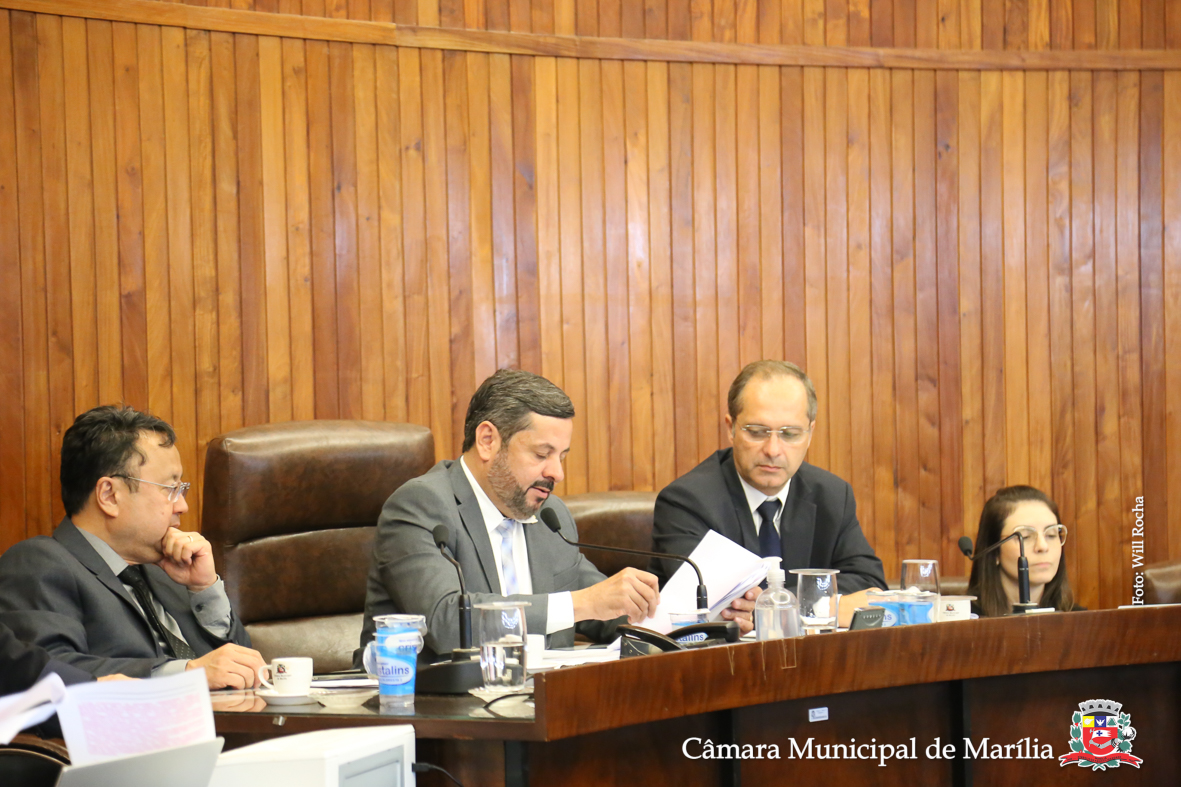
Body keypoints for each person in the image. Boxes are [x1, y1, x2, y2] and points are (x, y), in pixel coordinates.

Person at [358, 369, 660, 665]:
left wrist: (667, 623)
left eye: (562, 456)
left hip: (544, 693)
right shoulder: (422, 505)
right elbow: (446, 622)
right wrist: (580, 604)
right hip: (434, 695)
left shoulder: (551, 516)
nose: (557, 473)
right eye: (541, 454)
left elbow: (605, 607)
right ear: (488, 440)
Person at [0, 405, 264, 689]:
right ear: (109, 495)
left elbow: (245, 670)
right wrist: (185, 673)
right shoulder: (39, 563)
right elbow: (51, 673)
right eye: (171, 489)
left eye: (182, 489)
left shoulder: (169, 570)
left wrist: (205, 589)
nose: (182, 506)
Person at [652, 360, 886, 633]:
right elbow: (711, 601)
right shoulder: (686, 502)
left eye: (790, 434)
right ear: (731, 428)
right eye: (757, 432)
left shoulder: (832, 495)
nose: (773, 450)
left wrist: (781, 605)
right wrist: (825, 604)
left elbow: (870, 585)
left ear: (810, 434)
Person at [966, 485, 1078, 617]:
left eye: (1051, 535)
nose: (1042, 546)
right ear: (994, 551)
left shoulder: (1079, 620)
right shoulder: (965, 620)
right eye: (1025, 537)